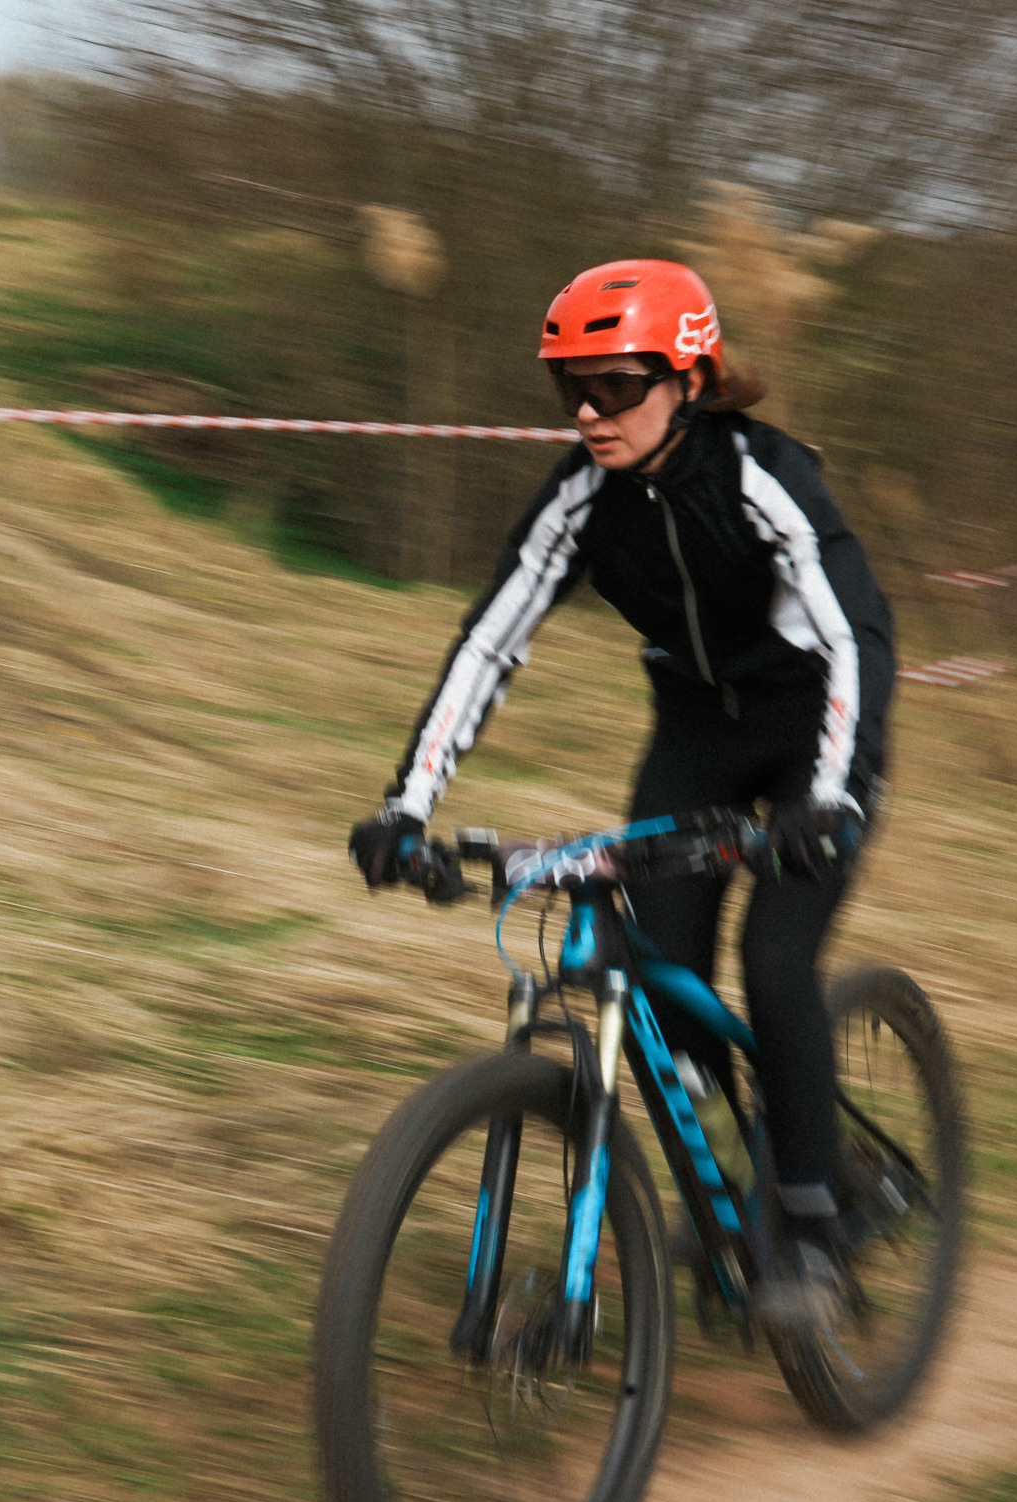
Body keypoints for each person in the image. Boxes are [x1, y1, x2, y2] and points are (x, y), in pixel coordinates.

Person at [347, 258, 897, 1317]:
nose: (591, 412)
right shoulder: (581, 498)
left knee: (775, 959)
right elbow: (488, 644)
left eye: (616, 383)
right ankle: (734, 1187)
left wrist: (831, 795)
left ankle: (818, 1221)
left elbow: (853, 634)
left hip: (813, 728)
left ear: (687, 378)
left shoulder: (761, 473)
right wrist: (406, 808)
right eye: (570, 389)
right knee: (660, 972)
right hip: (695, 734)